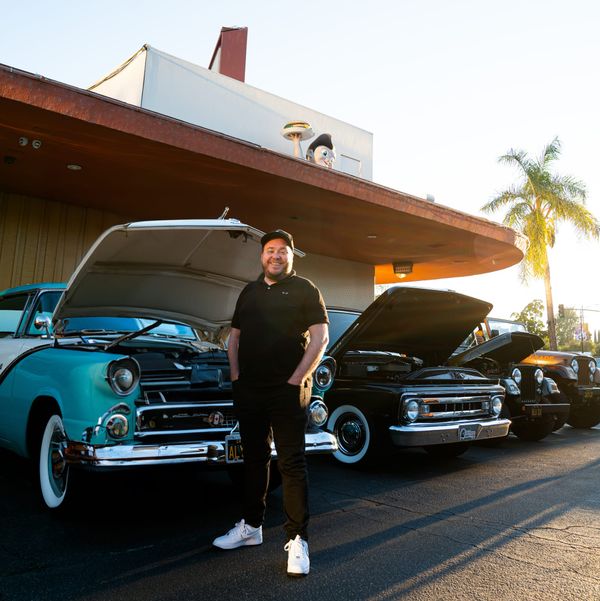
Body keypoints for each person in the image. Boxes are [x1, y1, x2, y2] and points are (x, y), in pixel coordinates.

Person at [212, 229, 329, 577]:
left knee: (291, 463)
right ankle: (251, 527)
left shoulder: (306, 289)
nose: (275, 256)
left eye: (282, 251)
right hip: (250, 389)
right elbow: (235, 338)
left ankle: (297, 540)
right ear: (262, 255)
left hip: (287, 390)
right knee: (254, 459)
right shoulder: (249, 292)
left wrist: (295, 379)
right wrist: (236, 376)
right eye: (270, 250)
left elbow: (321, 338)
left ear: (291, 256)